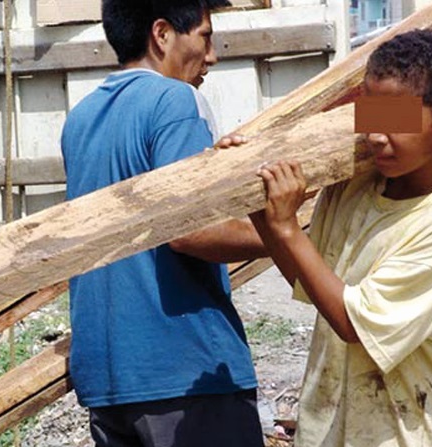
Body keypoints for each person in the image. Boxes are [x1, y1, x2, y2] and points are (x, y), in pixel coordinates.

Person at [250, 29, 432, 446]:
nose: (376, 135)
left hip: (399, 434)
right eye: (371, 116)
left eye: (397, 120)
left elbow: (353, 323)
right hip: (327, 429)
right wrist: (256, 201)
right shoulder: (354, 185)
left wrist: (286, 227)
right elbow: (311, 281)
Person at [60, 0, 270, 446]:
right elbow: (190, 231)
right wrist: (284, 233)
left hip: (108, 378)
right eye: (206, 37)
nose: (212, 56)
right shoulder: (176, 99)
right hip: (185, 371)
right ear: (162, 34)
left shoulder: (80, 118)